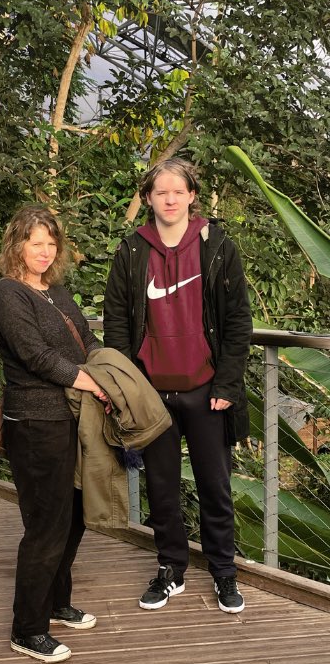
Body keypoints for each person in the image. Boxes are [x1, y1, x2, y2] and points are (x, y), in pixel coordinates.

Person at [104, 157, 253, 615]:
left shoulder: (217, 246)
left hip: (208, 390)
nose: (169, 199)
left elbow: (237, 320)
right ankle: (170, 569)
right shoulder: (132, 252)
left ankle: (224, 573)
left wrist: (226, 381)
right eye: (160, 191)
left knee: (215, 485)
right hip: (151, 395)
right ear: (148, 198)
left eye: (178, 190)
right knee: (162, 487)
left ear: (192, 195)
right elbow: (116, 327)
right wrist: (127, 390)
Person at [0, 205, 110, 664]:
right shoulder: (7, 293)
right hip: (36, 421)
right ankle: (28, 628)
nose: (44, 251)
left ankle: (57, 603)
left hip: (74, 417)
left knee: (75, 514)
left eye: (51, 243)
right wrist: (92, 383)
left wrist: (108, 370)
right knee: (45, 524)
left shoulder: (55, 289)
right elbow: (35, 356)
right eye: (35, 242)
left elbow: (84, 340)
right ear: (17, 245)